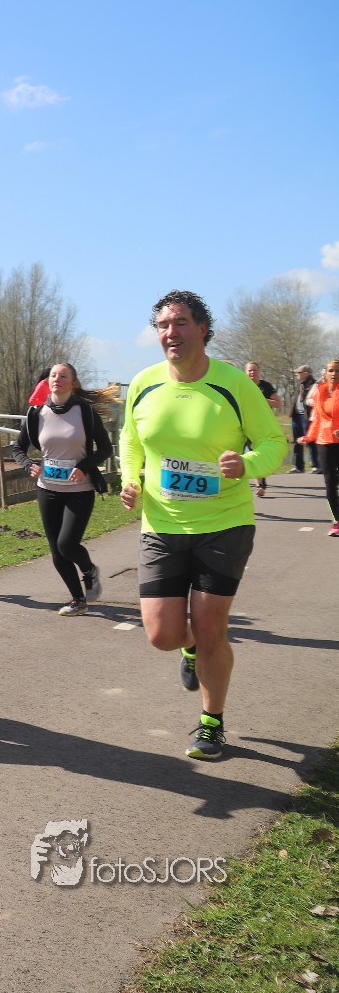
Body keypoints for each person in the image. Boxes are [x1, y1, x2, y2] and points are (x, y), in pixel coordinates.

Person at [119, 290, 284, 761]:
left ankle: (211, 723)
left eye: (181, 323)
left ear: (203, 329)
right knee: (162, 635)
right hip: (162, 524)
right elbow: (130, 439)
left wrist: (246, 464)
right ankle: (187, 646)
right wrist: (131, 478)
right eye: (163, 325)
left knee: (212, 627)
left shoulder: (234, 383)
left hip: (224, 524)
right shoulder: (144, 383)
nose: (171, 333)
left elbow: (275, 443)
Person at [9, 363, 116, 616]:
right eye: (53, 375)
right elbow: (18, 448)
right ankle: (78, 599)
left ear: (73, 382)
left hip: (79, 489)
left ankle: (89, 570)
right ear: (47, 382)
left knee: (67, 544)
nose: (57, 379)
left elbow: (105, 449)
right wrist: (29, 465)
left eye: (63, 375)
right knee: (56, 550)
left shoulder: (85, 412)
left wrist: (84, 466)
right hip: (48, 489)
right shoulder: (37, 413)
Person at [298, 359, 339, 536]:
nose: (334, 374)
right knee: (330, 482)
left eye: (337, 371)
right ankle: (336, 521)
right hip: (324, 440)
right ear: (326, 373)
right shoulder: (319, 392)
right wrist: (308, 437)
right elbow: (317, 419)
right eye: (331, 370)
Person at [243, 363, 279, 497]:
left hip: (261, 425)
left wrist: (261, 400)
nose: (252, 373)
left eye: (254, 370)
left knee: (257, 453)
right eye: (249, 370)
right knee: (239, 452)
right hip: (243, 424)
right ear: (245, 372)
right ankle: (255, 483)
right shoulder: (242, 385)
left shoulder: (266, 386)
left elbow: (278, 403)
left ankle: (260, 484)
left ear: (259, 372)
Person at [289, 364, 319, 473]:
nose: (297, 375)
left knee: (310, 441)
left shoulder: (314, 385)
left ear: (306, 373)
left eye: (299, 373)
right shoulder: (299, 384)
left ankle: (316, 465)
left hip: (307, 417)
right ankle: (299, 466)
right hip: (296, 416)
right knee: (297, 441)